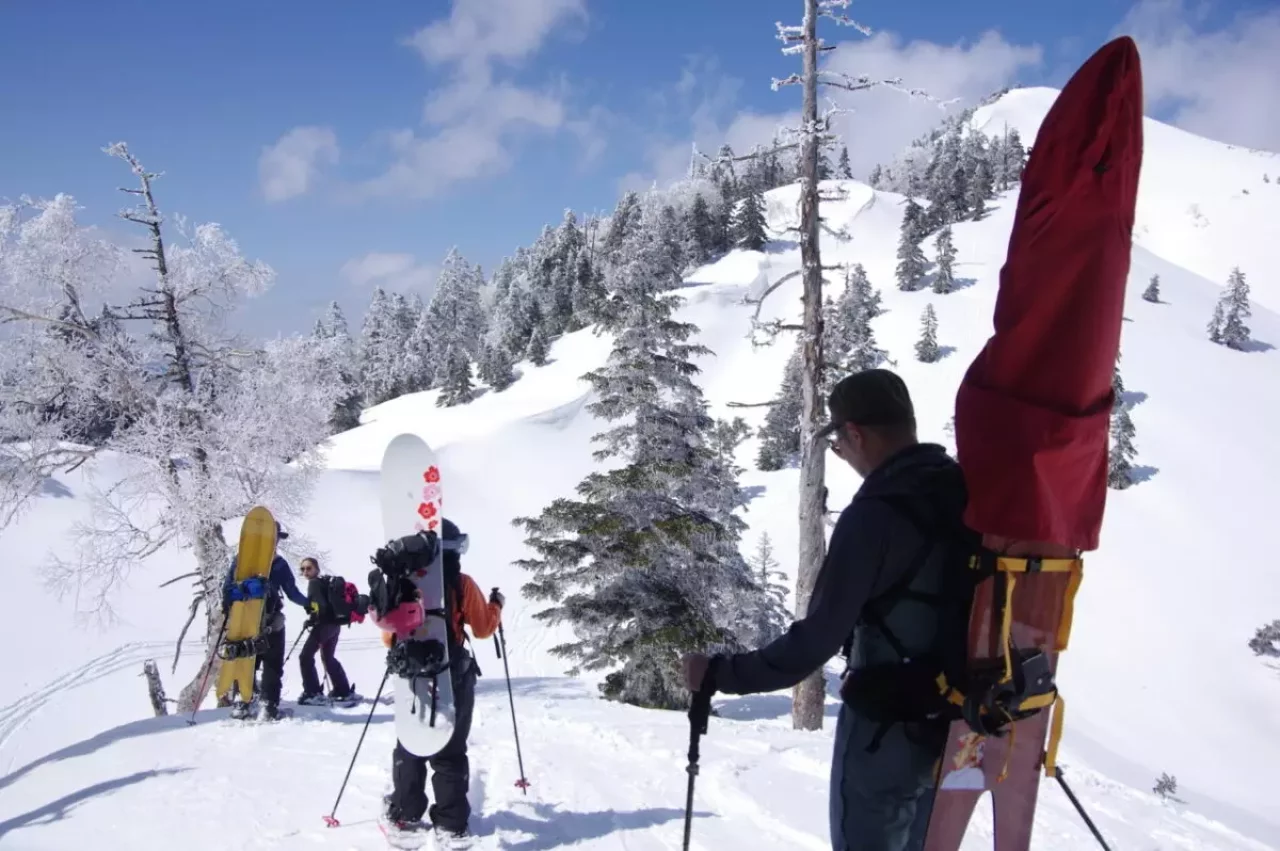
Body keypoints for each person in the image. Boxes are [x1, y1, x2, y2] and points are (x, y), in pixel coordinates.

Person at [681, 368, 969, 851]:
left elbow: (814, 642)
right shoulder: (962, 492)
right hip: (957, 726)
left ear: (855, 433)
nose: (842, 455)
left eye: (838, 445)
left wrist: (719, 674)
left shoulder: (875, 516)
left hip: (885, 729)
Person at [382, 518, 504, 849]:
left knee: (411, 743)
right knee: (450, 749)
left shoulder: (402, 582)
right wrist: (496, 607)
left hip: (411, 675)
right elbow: (482, 628)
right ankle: (451, 824)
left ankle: (405, 814)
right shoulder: (461, 583)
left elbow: (388, 637)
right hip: (453, 672)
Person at [221, 521, 313, 721]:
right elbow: (292, 593)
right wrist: (309, 604)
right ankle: (268, 707)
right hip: (271, 624)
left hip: (244, 623)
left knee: (246, 661)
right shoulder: (279, 564)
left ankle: (241, 703)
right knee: (272, 664)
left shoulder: (240, 560)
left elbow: (226, 590)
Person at [297, 556, 359, 706]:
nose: (305, 572)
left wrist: (312, 619)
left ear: (316, 569)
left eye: (309, 568)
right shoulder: (325, 582)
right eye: (303, 569)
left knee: (305, 657)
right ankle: (342, 690)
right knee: (328, 658)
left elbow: (321, 606)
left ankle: (313, 693)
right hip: (335, 626)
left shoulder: (314, 583)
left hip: (323, 626)